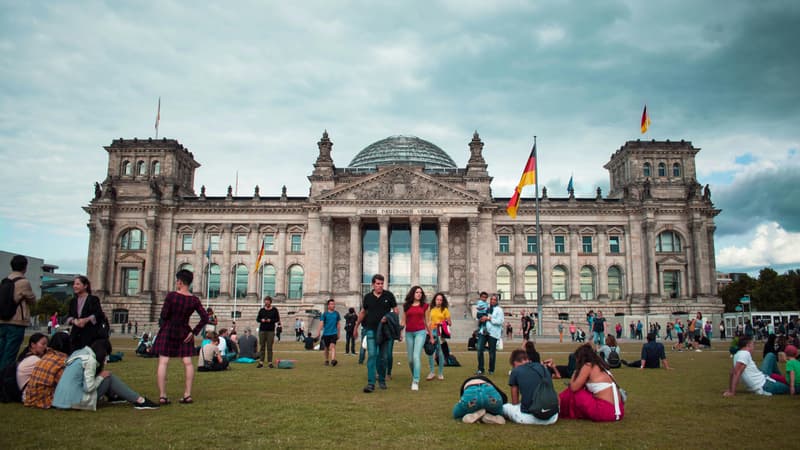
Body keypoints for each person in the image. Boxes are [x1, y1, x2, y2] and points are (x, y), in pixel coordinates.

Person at [153, 269, 209, 405]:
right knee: (188, 363)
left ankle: (162, 396)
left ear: (180, 282)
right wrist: (194, 332)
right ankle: (187, 394)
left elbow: (164, 315)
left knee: (163, 362)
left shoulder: (171, 296)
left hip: (169, 330)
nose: (176, 283)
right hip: (185, 331)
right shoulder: (194, 299)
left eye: (177, 281)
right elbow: (205, 317)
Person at [53, 339, 159, 410]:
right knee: (109, 377)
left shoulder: (79, 353)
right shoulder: (90, 360)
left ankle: (113, 396)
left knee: (104, 376)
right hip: (75, 402)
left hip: (60, 400)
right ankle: (140, 400)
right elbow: (88, 388)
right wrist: (100, 377)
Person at [353, 274, 397, 393]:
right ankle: (371, 383)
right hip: (371, 330)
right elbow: (362, 312)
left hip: (384, 331)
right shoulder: (367, 297)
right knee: (372, 355)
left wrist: (389, 318)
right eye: (378, 284)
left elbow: (396, 311)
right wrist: (356, 326)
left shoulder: (389, 295)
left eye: (382, 284)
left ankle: (381, 379)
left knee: (382, 357)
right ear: (373, 284)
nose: (380, 286)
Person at [558, 344, 624, 422]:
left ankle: (557, 407)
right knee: (580, 391)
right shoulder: (602, 366)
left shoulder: (588, 366)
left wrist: (575, 373)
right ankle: (559, 406)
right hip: (619, 411)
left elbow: (574, 388)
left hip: (605, 411)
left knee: (575, 392)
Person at [502, 348, 558, 425]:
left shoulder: (516, 371)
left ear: (515, 363)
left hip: (530, 418)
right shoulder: (542, 367)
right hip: (553, 416)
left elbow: (515, 402)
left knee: (505, 407)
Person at [0, 255, 37, 370]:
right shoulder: (23, 282)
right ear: (25, 267)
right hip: (16, 321)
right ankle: (4, 381)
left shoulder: (5, 280)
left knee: (2, 351)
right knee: (10, 355)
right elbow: (32, 299)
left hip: (3, 320)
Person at [723, 336, 789, 396]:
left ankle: (782, 379)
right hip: (764, 385)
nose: (754, 347)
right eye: (752, 345)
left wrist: (730, 389)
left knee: (770, 355)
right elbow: (736, 372)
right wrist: (732, 392)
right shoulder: (745, 354)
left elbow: (732, 372)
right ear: (748, 345)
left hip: (762, 377)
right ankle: (785, 380)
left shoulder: (738, 354)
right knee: (790, 387)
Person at [24, 331, 71, 408]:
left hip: (30, 398)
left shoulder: (45, 357)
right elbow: (64, 384)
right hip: (44, 400)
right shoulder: (61, 361)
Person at [401, 286, 432, 391]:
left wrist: (431, 336)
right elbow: (403, 321)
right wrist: (400, 332)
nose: (419, 294)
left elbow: (427, 322)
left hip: (421, 332)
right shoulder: (406, 306)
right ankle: (415, 374)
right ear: (412, 293)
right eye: (417, 292)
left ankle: (415, 381)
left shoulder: (425, 306)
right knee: (410, 360)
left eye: (420, 292)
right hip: (409, 333)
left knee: (416, 356)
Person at [65, 276, 105, 352]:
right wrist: (74, 321)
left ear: (85, 286)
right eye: (74, 284)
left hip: (90, 335)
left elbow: (98, 314)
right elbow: (69, 316)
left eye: (77, 284)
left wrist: (86, 320)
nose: (74, 286)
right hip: (75, 335)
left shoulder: (93, 299)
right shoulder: (73, 301)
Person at [16, 333, 49, 403]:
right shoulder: (34, 360)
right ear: (33, 345)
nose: (46, 347)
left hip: (26, 393)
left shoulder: (27, 357)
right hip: (30, 395)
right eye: (43, 344)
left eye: (46, 344)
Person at [476, 294, 504, 375]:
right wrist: (481, 319)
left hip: (493, 333)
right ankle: (480, 369)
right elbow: (480, 315)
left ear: (497, 301)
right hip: (483, 331)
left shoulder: (499, 310)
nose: (492, 301)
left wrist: (489, 318)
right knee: (479, 349)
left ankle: (491, 370)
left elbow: (500, 321)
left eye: (494, 300)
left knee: (492, 352)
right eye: (491, 299)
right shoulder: (486, 308)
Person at [427, 292, 451, 381]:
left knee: (440, 352)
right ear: (435, 300)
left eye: (441, 300)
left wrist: (442, 323)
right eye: (437, 299)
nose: (439, 301)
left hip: (440, 332)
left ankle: (440, 373)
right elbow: (429, 321)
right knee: (430, 351)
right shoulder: (431, 309)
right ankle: (432, 372)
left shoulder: (445, 310)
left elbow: (450, 323)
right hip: (431, 331)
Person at [256, 296, 280, 368]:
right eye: (265, 302)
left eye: (267, 302)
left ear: (270, 302)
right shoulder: (262, 310)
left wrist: (270, 320)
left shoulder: (274, 310)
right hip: (262, 330)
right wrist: (262, 320)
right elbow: (257, 319)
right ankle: (261, 362)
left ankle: (270, 362)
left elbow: (277, 319)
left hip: (270, 330)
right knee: (262, 346)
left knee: (269, 347)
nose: (266, 303)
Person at [317, 298, 341, 367]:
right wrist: (318, 332)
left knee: (332, 346)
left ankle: (333, 360)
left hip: (334, 333)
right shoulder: (325, 314)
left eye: (334, 304)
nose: (333, 305)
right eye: (331, 304)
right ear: (328, 306)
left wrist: (338, 333)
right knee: (326, 348)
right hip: (326, 333)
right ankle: (326, 360)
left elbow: (338, 324)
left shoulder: (337, 313)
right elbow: (321, 323)